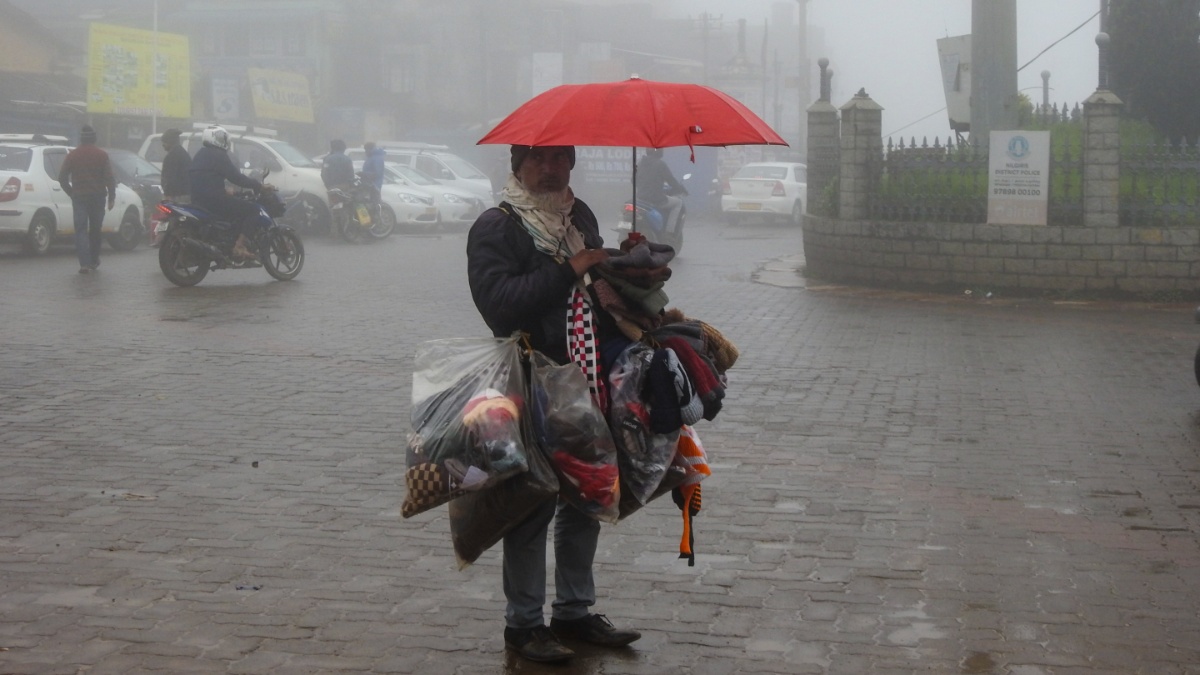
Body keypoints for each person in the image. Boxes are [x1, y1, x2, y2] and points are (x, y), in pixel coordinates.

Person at [466, 145, 639, 663]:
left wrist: (629, 265)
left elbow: (597, 289)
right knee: (532, 504)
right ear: (517, 165)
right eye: (539, 159)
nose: (551, 168)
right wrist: (570, 266)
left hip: (585, 377)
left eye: (561, 158)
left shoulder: (578, 215)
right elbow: (498, 304)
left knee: (587, 497)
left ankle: (574, 611)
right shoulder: (498, 226)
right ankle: (523, 625)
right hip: (529, 378)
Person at [189, 125, 264, 260]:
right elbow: (237, 178)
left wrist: (224, 190)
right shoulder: (219, 155)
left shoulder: (201, 153)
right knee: (253, 210)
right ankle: (240, 246)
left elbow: (206, 178)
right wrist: (257, 185)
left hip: (197, 199)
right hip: (215, 200)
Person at [57, 125, 116, 274]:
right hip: (98, 197)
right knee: (95, 230)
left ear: (81, 139)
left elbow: (62, 177)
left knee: (81, 230)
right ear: (94, 139)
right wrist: (112, 197)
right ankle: (94, 260)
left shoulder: (72, 155)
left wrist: (71, 192)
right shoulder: (102, 155)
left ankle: (84, 264)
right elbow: (109, 177)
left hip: (80, 197)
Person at [635, 148, 686, 233]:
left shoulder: (640, 164)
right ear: (659, 152)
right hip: (656, 199)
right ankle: (669, 232)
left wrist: (644, 186)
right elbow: (671, 180)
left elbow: (633, 180)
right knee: (678, 203)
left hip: (641, 199)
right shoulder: (660, 164)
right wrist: (680, 188)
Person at [160, 128, 191, 204]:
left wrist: (168, 194)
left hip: (176, 196)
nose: (163, 145)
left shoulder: (172, 157)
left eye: (165, 142)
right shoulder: (183, 154)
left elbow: (170, 178)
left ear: (171, 142)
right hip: (185, 194)